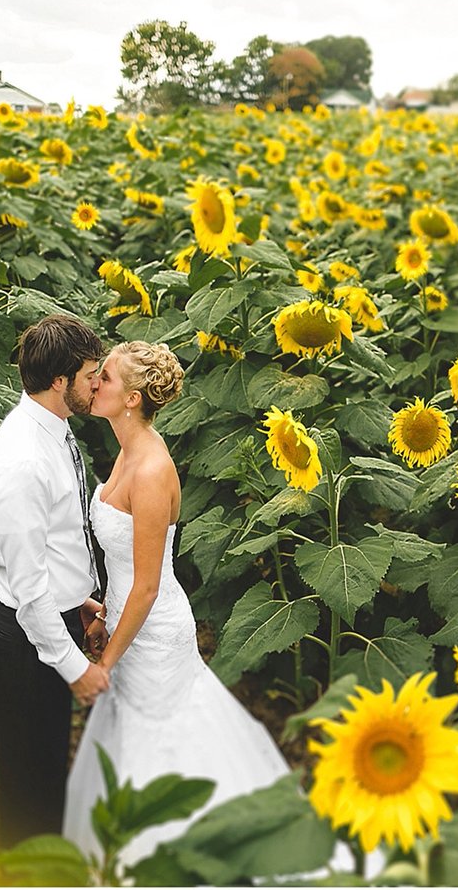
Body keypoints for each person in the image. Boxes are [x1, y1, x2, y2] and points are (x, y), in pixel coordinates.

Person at [62, 340, 292, 866]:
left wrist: (106, 662)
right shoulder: (125, 450)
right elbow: (125, 576)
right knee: (130, 747)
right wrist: (104, 615)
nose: (95, 383)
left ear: (133, 399)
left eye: (108, 379)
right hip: (127, 622)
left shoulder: (149, 470)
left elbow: (146, 585)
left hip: (154, 633)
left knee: (162, 751)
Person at [0, 314, 111, 848]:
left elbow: (59, 537)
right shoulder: (22, 461)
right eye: (90, 374)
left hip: (57, 618)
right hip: (27, 634)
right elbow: (29, 590)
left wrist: (79, 598)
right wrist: (77, 668)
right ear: (61, 381)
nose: (97, 384)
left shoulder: (53, 431)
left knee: (49, 765)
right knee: (28, 783)